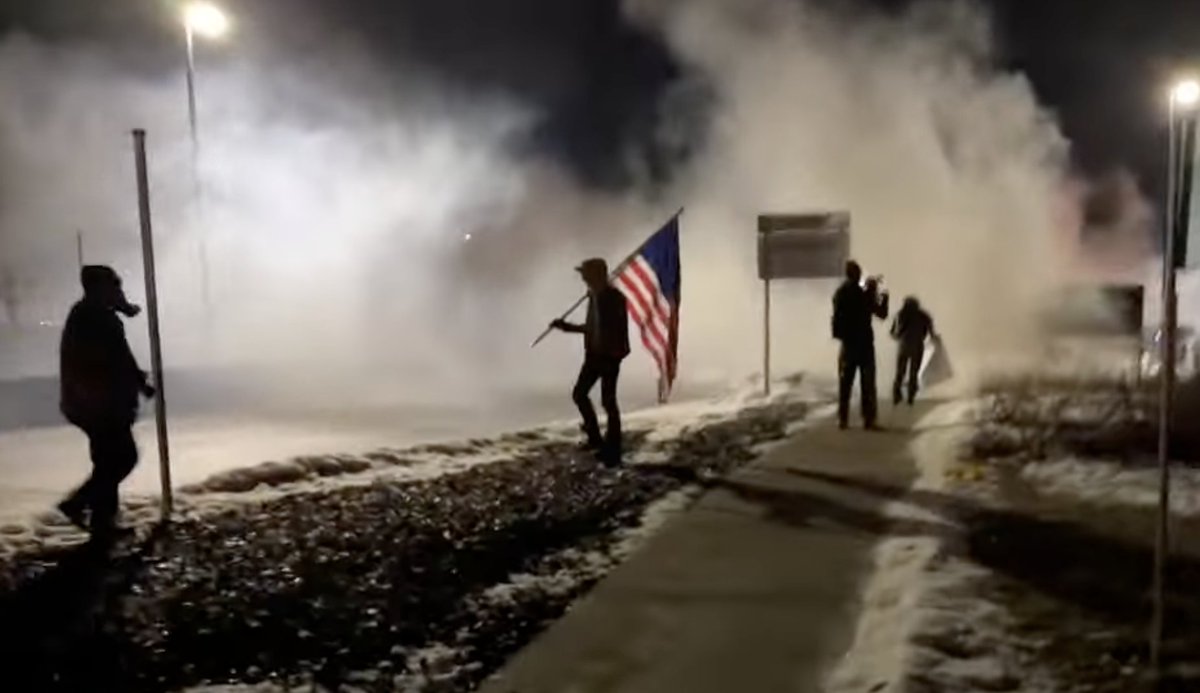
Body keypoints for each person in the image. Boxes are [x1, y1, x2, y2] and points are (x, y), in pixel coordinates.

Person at [57, 265, 154, 539]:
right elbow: (118, 358)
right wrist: (138, 384)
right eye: (114, 286)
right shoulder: (97, 318)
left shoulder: (88, 313)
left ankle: (103, 524)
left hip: (90, 403)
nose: (118, 291)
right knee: (123, 458)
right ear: (100, 288)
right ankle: (78, 503)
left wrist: (123, 308)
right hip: (100, 405)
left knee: (107, 460)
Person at [550, 258, 630, 465]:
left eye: (585, 274)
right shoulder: (596, 296)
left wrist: (568, 327)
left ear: (596, 275)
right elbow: (592, 327)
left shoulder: (611, 298)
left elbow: (603, 329)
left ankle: (612, 445)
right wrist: (567, 327)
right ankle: (595, 438)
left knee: (607, 401)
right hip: (595, 354)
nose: (583, 278)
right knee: (581, 394)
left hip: (609, 355)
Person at [831, 260, 889, 430]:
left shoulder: (840, 293)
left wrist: (869, 291)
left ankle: (843, 419)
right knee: (868, 384)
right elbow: (881, 313)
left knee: (845, 384)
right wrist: (881, 294)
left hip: (848, 344)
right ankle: (869, 420)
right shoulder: (863, 295)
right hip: (864, 344)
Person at [890, 296, 938, 406]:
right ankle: (911, 395)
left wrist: (898, 336)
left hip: (903, 346)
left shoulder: (900, 314)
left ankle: (896, 394)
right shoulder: (923, 315)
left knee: (900, 371)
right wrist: (934, 338)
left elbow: (894, 332)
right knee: (914, 372)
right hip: (917, 346)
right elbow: (930, 330)